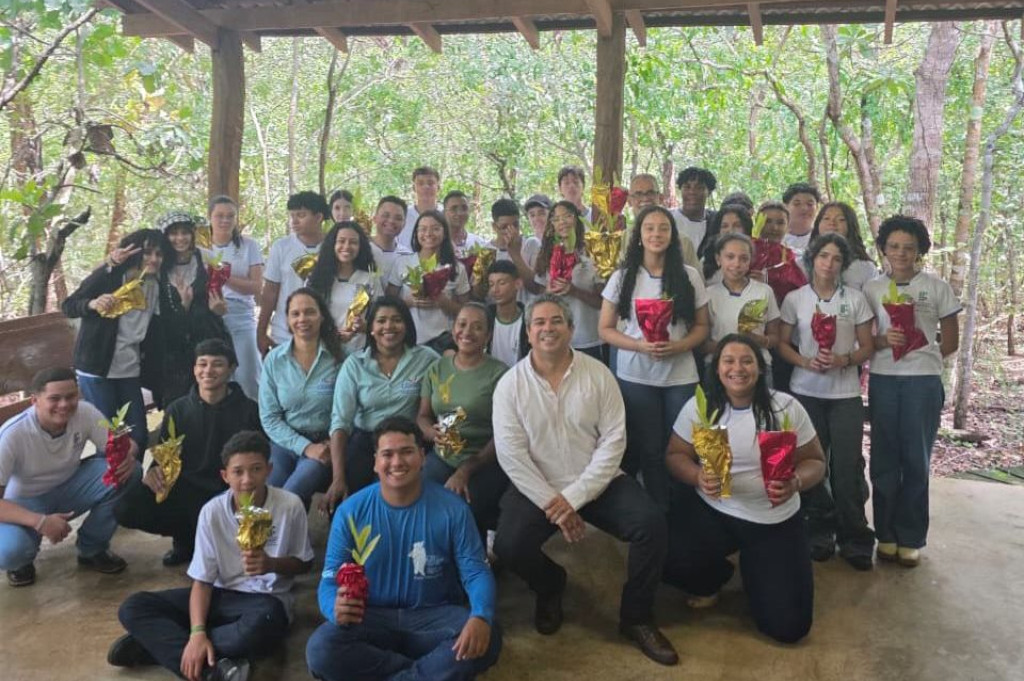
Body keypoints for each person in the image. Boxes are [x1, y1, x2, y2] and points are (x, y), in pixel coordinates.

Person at [492, 294, 678, 666]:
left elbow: (613, 442)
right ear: (528, 333)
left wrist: (574, 498)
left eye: (556, 321)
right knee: (509, 545)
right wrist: (555, 503)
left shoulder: (598, 374)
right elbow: (512, 457)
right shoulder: (510, 385)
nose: (548, 329)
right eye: (539, 322)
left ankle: (637, 617)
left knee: (651, 525)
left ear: (572, 329)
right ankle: (550, 585)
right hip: (538, 486)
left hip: (598, 480)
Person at [307, 417, 501, 681]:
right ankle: (425, 673)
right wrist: (334, 607)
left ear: (422, 456)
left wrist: (481, 615)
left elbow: (476, 572)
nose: (397, 462)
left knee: (488, 635)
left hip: (434, 619)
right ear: (375, 462)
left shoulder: (453, 509)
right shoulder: (351, 511)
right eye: (387, 454)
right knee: (321, 650)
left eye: (407, 452)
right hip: (370, 618)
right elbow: (329, 578)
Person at [110, 431, 314, 681]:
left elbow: (305, 563)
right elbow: (203, 581)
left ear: (269, 470)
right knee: (134, 607)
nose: (247, 480)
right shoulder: (212, 512)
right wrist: (197, 633)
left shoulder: (290, 506)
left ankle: (155, 646)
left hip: (265, 601)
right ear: (225, 476)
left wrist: (271, 564)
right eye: (238, 472)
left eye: (256, 469)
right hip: (220, 595)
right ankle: (213, 672)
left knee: (265, 623)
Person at [663, 335, 826, 643]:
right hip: (715, 510)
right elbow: (674, 455)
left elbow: (816, 461)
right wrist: (697, 476)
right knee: (663, 553)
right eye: (729, 361)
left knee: (789, 628)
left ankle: (758, 571)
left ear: (761, 368)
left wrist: (796, 482)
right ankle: (713, 578)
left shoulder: (786, 407)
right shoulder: (700, 407)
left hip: (773, 518)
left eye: (747, 361)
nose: (737, 368)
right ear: (717, 368)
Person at [863, 215, 960, 567]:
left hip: (922, 381)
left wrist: (922, 353)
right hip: (884, 378)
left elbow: (951, 341)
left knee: (916, 459)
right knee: (884, 457)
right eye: (893, 246)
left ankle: (911, 536)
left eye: (908, 247)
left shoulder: (936, 287)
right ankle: (886, 534)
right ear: (883, 249)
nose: (901, 253)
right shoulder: (872, 289)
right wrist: (882, 341)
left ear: (920, 250)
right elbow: (865, 340)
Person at [598, 206, 710, 509]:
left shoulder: (688, 276)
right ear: (639, 235)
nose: (656, 234)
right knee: (649, 447)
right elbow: (605, 329)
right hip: (635, 375)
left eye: (663, 228)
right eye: (649, 228)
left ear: (673, 235)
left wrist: (680, 345)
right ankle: (658, 509)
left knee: (684, 446)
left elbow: (703, 327)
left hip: (681, 375)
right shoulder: (623, 277)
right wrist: (638, 346)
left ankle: (685, 508)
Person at [114, 339, 261, 567]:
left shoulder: (249, 410)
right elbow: (166, 452)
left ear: (231, 368)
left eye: (217, 364)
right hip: (187, 487)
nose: (208, 371)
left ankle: (214, 543)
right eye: (202, 364)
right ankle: (185, 539)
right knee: (126, 507)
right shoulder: (178, 409)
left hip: (228, 491)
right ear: (194, 369)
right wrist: (153, 472)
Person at [777, 234, 876, 570]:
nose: (829, 263)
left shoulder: (856, 299)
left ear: (843, 264)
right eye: (823, 256)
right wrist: (806, 362)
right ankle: (819, 531)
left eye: (836, 258)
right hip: (805, 392)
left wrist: (844, 360)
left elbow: (867, 346)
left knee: (847, 467)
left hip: (845, 394)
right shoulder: (795, 299)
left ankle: (855, 536)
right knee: (811, 464)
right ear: (812, 259)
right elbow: (782, 344)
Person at [0, 368, 138, 587]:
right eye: (54, 398)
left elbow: (124, 445)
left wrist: (128, 455)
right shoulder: (12, 434)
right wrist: (40, 521)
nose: (64, 405)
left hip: (70, 487)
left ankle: (92, 548)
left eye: (70, 396)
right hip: (25, 501)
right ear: (35, 401)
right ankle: (21, 562)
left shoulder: (85, 412)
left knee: (131, 472)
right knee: (10, 552)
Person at [324, 297, 439, 510]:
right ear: (371, 328)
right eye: (381, 320)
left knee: (397, 499)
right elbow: (340, 422)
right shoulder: (354, 364)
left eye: (396, 320)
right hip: (366, 440)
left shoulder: (427, 359)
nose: (389, 326)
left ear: (407, 325)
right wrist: (337, 477)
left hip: (408, 440)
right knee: (349, 502)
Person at [62, 228, 170, 452]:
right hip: (97, 368)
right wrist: (93, 304)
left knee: (137, 435)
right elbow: (69, 306)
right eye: (147, 252)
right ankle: (110, 475)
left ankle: (134, 474)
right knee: (111, 438)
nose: (153, 259)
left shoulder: (155, 285)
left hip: (129, 368)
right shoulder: (110, 276)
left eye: (159, 254)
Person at [417, 303, 509, 539]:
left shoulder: (500, 374)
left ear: (488, 335)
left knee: (462, 510)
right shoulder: (437, 368)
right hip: (442, 455)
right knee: (417, 499)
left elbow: (503, 434)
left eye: (477, 327)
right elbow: (423, 415)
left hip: (484, 460)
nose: (467, 332)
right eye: (462, 324)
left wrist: (466, 469)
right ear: (453, 329)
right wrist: (430, 433)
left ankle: (475, 553)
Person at [260, 288, 345, 510]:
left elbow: (349, 410)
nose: (302, 319)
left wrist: (331, 443)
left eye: (310, 312)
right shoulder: (274, 360)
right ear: (287, 320)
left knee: (288, 497)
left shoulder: (340, 358)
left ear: (322, 316)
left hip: (325, 445)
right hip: (284, 443)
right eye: (295, 314)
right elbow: (269, 418)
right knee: (265, 495)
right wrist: (305, 447)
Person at [154, 211, 230, 407]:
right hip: (173, 343)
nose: (180, 238)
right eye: (173, 233)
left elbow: (219, 299)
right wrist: (183, 305)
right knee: (177, 399)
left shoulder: (205, 257)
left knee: (211, 394)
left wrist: (219, 309)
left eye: (185, 232)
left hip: (206, 335)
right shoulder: (159, 263)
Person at [201, 195, 264, 400]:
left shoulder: (248, 246)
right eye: (219, 216)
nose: (225, 220)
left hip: (241, 315)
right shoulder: (201, 248)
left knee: (247, 375)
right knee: (214, 375)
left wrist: (224, 275)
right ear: (210, 217)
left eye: (230, 216)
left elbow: (256, 286)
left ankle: (254, 414)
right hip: (207, 315)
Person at [388, 210, 471, 353]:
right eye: (423, 229)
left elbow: (466, 311)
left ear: (445, 233)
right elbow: (388, 303)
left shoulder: (456, 268)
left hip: (443, 341)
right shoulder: (402, 263)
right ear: (416, 233)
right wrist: (408, 302)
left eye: (435, 228)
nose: (428, 233)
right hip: (407, 340)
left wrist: (444, 303)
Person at [258, 191, 329, 357]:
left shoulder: (334, 246)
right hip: (284, 333)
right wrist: (261, 331)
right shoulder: (281, 247)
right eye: (292, 215)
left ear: (318, 217)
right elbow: (270, 292)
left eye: (301, 215)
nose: (294, 221)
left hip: (324, 334)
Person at [532, 201, 605, 361]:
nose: (562, 222)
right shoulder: (545, 255)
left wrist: (574, 291)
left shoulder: (592, 253)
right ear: (551, 225)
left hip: (588, 339)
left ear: (577, 220)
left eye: (567, 216)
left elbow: (603, 303)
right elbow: (539, 299)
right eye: (556, 219)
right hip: (556, 340)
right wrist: (549, 293)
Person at [702, 233, 780, 377]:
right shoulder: (708, 294)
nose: (737, 264)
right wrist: (733, 346)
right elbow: (702, 344)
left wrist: (757, 340)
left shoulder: (763, 291)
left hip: (757, 365)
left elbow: (775, 338)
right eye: (730, 257)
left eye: (744, 258)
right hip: (718, 366)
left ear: (750, 261)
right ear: (718, 259)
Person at [308, 221, 385, 355]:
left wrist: (362, 327)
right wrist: (331, 334)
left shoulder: (370, 279)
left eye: (353, 242)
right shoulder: (316, 278)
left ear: (361, 246)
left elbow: (382, 317)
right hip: (321, 351)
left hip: (359, 353)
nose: (347, 246)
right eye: (341, 241)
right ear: (332, 244)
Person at [629, 174, 700, 271]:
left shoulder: (683, 243)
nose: (645, 199)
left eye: (650, 193)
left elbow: (695, 278)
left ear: (660, 198)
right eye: (638, 194)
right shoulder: (624, 238)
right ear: (629, 201)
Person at [809, 202, 877, 290]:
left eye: (840, 219)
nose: (832, 223)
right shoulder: (803, 263)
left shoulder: (865, 267)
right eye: (826, 218)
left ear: (850, 225)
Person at [486, 260, 530, 367]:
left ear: (518, 284)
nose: (495, 290)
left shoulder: (529, 320)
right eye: (491, 284)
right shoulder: (485, 317)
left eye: (502, 283)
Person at [669, 166, 717, 258]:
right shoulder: (668, 218)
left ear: (709, 192)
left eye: (699, 188)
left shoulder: (716, 222)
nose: (692, 192)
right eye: (687, 187)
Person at [703, 204, 754, 284]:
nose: (730, 230)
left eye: (737, 225)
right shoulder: (706, 259)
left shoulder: (758, 256)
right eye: (725, 226)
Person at [398, 166, 443, 251]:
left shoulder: (446, 214)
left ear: (438, 187)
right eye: (420, 183)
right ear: (414, 188)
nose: (426, 187)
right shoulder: (403, 215)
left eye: (430, 183)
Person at [370, 195, 412, 284]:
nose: (391, 221)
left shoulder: (407, 256)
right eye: (386, 215)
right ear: (375, 218)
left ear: (404, 224)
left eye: (398, 218)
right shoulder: (361, 249)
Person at [443, 190, 487, 255]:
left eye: (464, 208)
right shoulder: (436, 243)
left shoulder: (480, 244)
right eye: (454, 209)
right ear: (444, 213)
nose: (460, 213)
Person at [782, 182, 822, 252]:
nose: (804, 208)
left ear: (817, 208)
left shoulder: (822, 239)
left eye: (810, 204)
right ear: (785, 207)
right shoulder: (774, 237)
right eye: (797, 204)